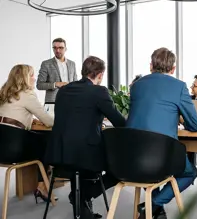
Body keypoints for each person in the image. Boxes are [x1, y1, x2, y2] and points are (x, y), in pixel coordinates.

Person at [45, 56, 126, 219]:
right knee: (119, 169)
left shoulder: (64, 90)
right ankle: (82, 196)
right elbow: (119, 122)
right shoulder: (99, 91)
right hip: (85, 156)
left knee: (81, 161)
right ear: (100, 74)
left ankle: (82, 204)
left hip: (59, 154)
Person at [127, 47, 197, 219]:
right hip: (161, 156)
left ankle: (154, 209)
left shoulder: (137, 86)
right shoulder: (179, 87)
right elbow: (196, 125)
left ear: (151, 65)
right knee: (190, 173)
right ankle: (153, 205)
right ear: (173, 69)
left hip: (132, 156)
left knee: (153, 170)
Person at [0, 64, 54, 202]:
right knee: (47, 140)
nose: (34, 78)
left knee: (40, 141)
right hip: (13, 151)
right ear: (23, 78)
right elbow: (49, 121)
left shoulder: (4, 93)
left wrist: (30, 120)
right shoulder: (27, 95)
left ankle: (40, 185)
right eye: (31, 75)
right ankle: (42, 186)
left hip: (2, 148)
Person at [37, 38, 78, 103]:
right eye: (55, 48)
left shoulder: (72, 64)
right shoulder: (46, 64)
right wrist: (56, 84)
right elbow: (39, 85)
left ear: (65, 49)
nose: (57, 50)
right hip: (53, 102)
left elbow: (75, 83)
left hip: (71, 101)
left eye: (61, 48)